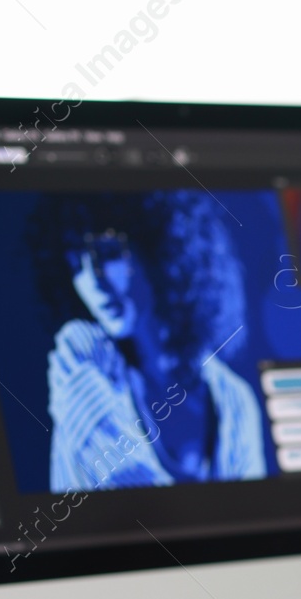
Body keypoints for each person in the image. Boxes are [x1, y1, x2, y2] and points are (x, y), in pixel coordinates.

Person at [47, 192, 266, 492]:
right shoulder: (82, 352)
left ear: (160, 251)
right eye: (76, 264)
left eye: (108, 254)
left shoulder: (234, 399)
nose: (92, 282)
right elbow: (128, 491)